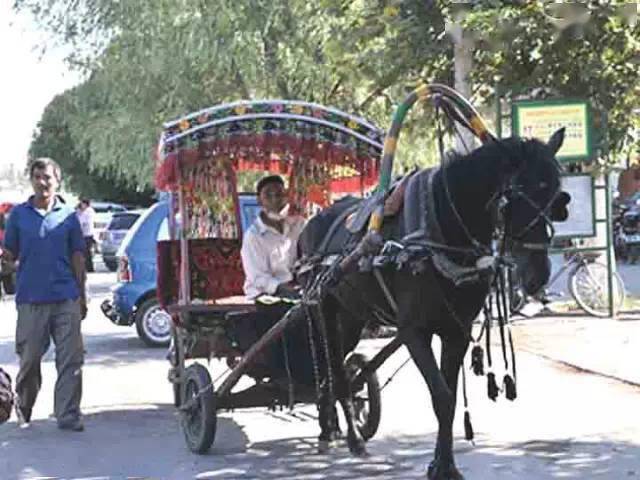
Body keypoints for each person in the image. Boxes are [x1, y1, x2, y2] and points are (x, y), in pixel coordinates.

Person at [1, 157, 87, 432]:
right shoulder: (18, 215)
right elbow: (9, 254)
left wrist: (81, 295)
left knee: (71, 359)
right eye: (37, 177)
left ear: (57, 180)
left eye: (47, 177)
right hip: (31, 300)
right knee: (29, 359)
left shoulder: (69, 216)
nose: (42, 182)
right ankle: (24, 405)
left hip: (66, 298)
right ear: (32, 180)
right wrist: (6, 262)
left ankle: (68, 414)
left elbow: (78, 257)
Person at [240, 175, 312, 382]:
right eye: (268, 195)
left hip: (298, 291)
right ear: (259, 200)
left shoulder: (299, 225)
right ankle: (285, 375)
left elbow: (308, 257)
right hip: (266, 294)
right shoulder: (253, 236)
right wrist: (284, 290)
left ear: (286, 197)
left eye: (279, 194)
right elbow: (258, 277)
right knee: (285, 320)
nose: (274, 200)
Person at [76, 198, 96, 272]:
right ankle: (84, 267)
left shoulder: (89, 211)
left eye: (82, 203)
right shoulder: (79, 211)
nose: (81, 205)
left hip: (88, 234)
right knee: (82, 251)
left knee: (87, 252)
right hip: (81, 234)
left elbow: (84, 222)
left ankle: (90, 268)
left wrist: (81, 212)